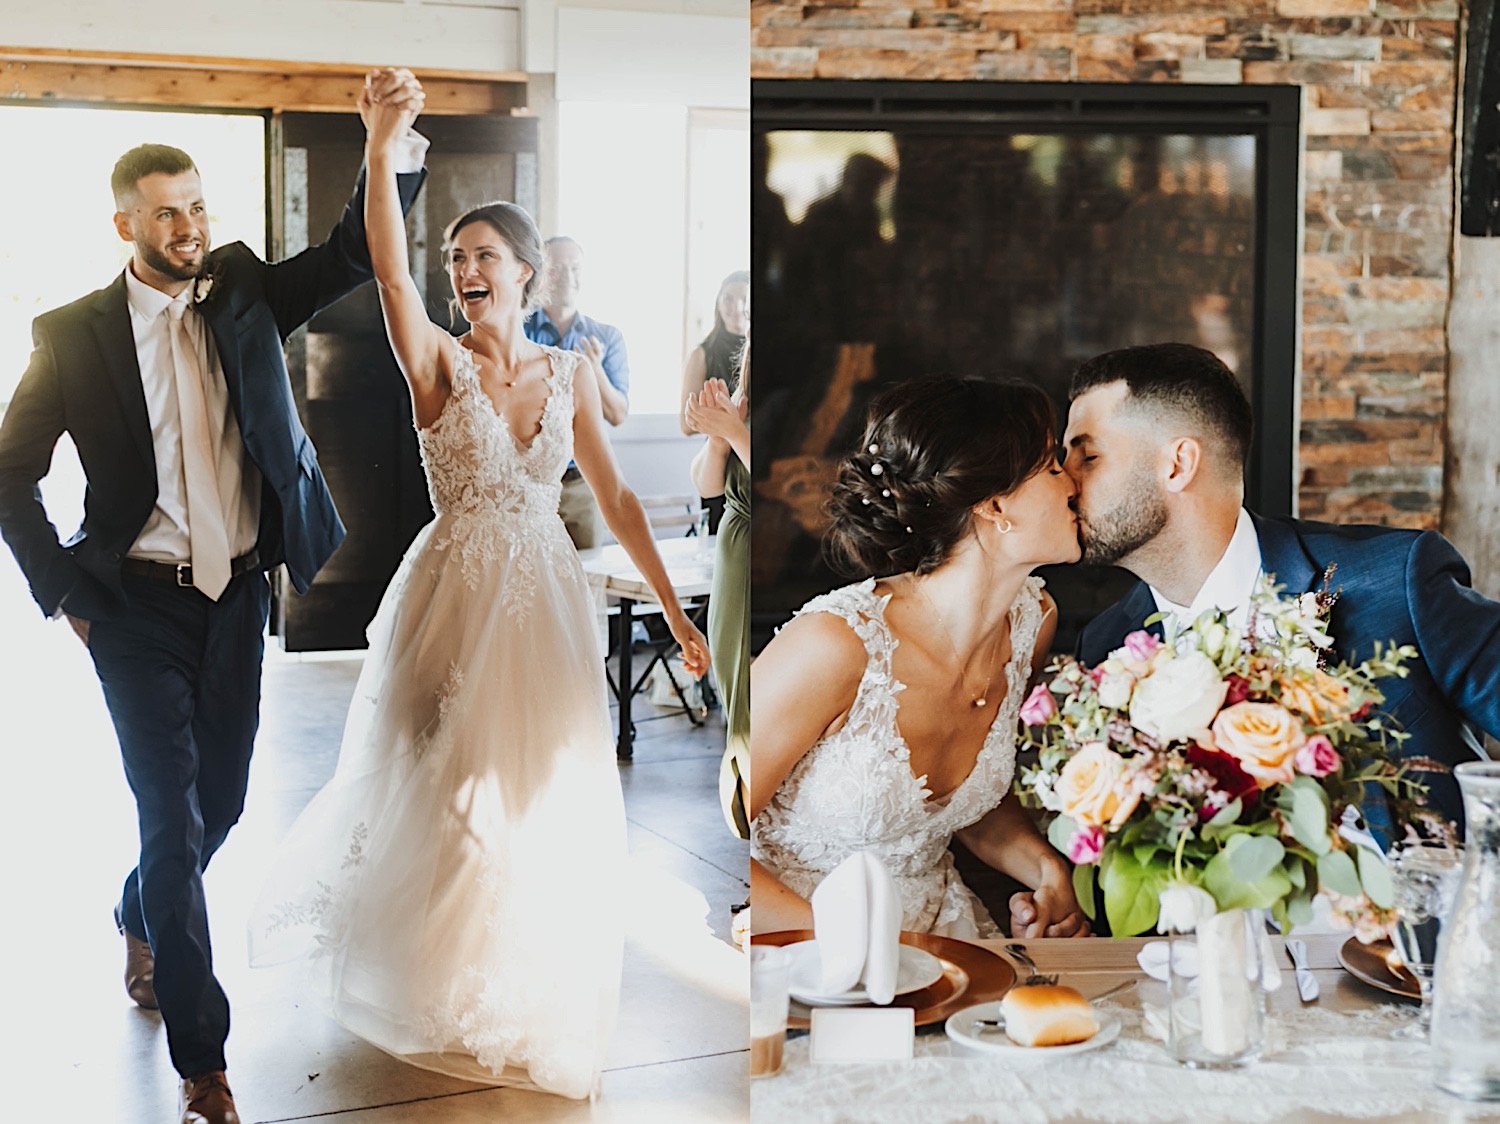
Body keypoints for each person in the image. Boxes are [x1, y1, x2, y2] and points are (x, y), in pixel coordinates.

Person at [248, 79, 709, 1100]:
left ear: (528, 272)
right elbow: (385, 269)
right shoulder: (436, 365)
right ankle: (433, 973)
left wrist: (677, 615)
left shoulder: (572, 372)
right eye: (456, 259)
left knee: (532, 795)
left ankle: (517, 978)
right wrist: (379, 151)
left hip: (544, 596)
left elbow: (623, 497)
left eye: (483, 257)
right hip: (453, 587)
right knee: (442, 779)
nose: (464, 272)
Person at [0, 69, 427, 1124]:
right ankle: (207, 1062)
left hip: (239, 595)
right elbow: (9, 468)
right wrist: (61, 587)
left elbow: (349, 253)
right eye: (167, 212)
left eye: (197, 206)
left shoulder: (239, 285)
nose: (189, 226)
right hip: (131, 606)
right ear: (124, 224)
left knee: (220, 803)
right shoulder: (70, 333)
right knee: (172, 816)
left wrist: (388, 142)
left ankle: (132, 909)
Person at [1065, 342, 1500, 830]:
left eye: (1089, 457)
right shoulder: (1104, 651)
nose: (1064, 483)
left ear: (1177, 465)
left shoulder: (1397, 580)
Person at [750, 377, 1090, 939]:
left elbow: (950, 808)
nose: (1074, 482)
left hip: (943, 939)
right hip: (801, 945)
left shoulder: (1033, 624)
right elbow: (725, 839)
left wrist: (1048, 869)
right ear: (995, 504)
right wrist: (855, 952)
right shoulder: (835, 645)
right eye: (1054, 467)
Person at [523, 235, 629, 549]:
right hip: (529, 483)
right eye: (556, 268)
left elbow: (618, 414)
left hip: (584, 483)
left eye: (574, 268)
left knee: (587, 585)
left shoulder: (607, 337)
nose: (567, 276)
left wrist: (594, 369)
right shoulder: (519, 331)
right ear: (540, 273)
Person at [687, 354, 750, 840]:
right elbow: (707, 487)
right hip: (734, 557)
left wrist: (735, 433)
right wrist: (717, 440)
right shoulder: (741, 406)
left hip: (765, 558)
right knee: (740, 705)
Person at [678, 270, 749, 437]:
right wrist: (728, 422)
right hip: (720, 454)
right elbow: (686, 425)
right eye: (728, 298)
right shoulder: (701, 355)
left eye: (744, 299)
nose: (736, 307)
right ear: (718, 304)